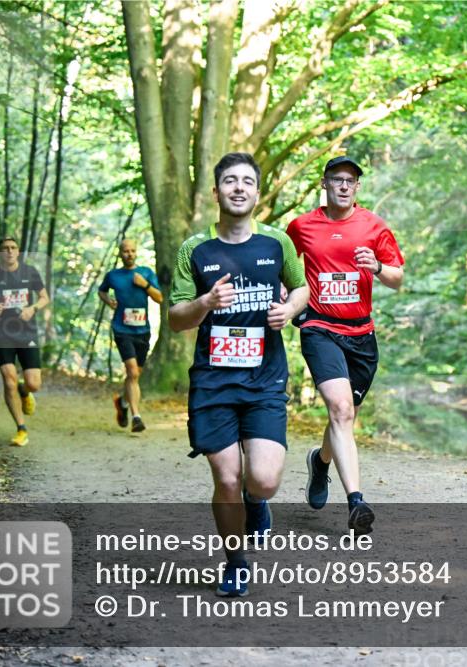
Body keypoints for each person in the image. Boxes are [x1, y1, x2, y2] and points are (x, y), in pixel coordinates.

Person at [169, 152, 309, 597]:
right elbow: (175, 318)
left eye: (247, 181)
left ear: (257, 192)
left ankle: (256, 499)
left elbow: (302, 288)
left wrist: (289, 309)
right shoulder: (195, 249)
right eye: (230, 180)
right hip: (213, 382)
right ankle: (235, 562)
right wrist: (204, 303)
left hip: (264, 379)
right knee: (226, 478)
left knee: (262, 480)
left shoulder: (276, 243)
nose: (239, 188)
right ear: (216, 192)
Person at [287, 156, 404, 535]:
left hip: (361, 335)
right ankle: (356, 502)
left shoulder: (374, 226)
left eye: (350, 181)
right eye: (336, 179)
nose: (343, 185)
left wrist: (377, 268)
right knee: (339, 409)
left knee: (345, 415)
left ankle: (320, 461)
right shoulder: (302, 226)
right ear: (324, 183)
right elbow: (284, 267)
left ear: (357, 187)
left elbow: (397, 278)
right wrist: (287, 297)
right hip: (319, 327)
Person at [0, 236, 50, 447]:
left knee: (34, 384)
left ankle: (25, 392)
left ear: (18, 251)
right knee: (9, 381)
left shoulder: (30, 272)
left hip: (27, 333)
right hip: (3, 335)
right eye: (5, 248)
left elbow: (44, 297)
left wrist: (32, 308)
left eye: (13, 247)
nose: (9, 251)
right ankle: (21, 429)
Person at [98, 239, 163, 432]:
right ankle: (136, 417)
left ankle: (123, 403)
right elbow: (101, 291)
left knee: (134, 376)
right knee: (132, 372)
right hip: (122, 329)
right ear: (120, 253)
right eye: (126, 251)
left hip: (142, 331)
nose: (130, 254)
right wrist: (109, 301)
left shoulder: (146, 273)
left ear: (136, 252)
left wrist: (145, 285)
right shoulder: (113, 275)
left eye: (133, 251)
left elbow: (159, 298)